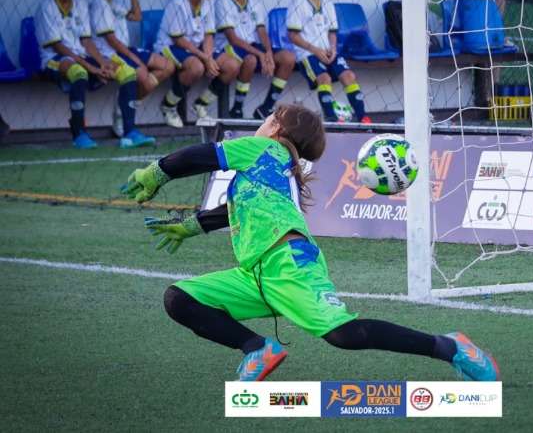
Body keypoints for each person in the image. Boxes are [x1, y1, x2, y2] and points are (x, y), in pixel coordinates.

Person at [120, 104, 500, 382]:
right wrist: (194, 225)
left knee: (344, 334)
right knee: (181, 298)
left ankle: (452, 347)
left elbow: (201, 156)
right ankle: (257, 348)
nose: (262, 124)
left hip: (289, 264)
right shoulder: (275, 165)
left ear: (277, 129)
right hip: (256, 274)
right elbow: (242, 207)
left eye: (268, 118)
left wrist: (157, 172)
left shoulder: (264, 149)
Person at [36, 0, 154, 148]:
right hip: (54, 58)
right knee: (79, 71)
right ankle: (79, 134)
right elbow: (58, 46)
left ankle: (129, 132)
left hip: (82, 56)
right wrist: (90, 66)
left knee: (128, 72)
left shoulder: (81, 5)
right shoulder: (46, 7)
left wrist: (103, 64)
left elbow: (86, 41)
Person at [91, 0, 175, 138]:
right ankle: (122, 115)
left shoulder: (115, 3)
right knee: (145, 79)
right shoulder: (99, 4)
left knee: (168, 66)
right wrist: (136, 60)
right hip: (111, 53)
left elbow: (137, 16)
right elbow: (111, 40)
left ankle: (122, 105)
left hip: (125, 49)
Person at [154, 0, 239, 128]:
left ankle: (201, 104)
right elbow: (178, 39)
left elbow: (208, 34)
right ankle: (168, 105)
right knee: (196, 68)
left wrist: (209, 57)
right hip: (170, 46)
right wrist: (205, 59)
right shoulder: (178, 3)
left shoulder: (207, 1)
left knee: (232, 66)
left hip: (197, 47)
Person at [287, 0, 371, 124]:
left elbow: (332, 32)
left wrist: (332, 47)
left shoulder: (327, 3)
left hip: (328, 51)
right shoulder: (297, 4)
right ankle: (333, 120)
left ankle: (363, 118)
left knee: (349, 75)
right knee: (324, 78)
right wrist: (316, 50)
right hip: (308, 54)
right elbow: (293, 36)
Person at [215, 0, 296, 120]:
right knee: (251, 60)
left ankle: (265, 108)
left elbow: (261, 31)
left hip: (253, 45)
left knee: (288, 58)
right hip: (229, 46)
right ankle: (237, 109)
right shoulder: (222, 2)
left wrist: (268, 52)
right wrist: (260, 54)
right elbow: (232, 38)